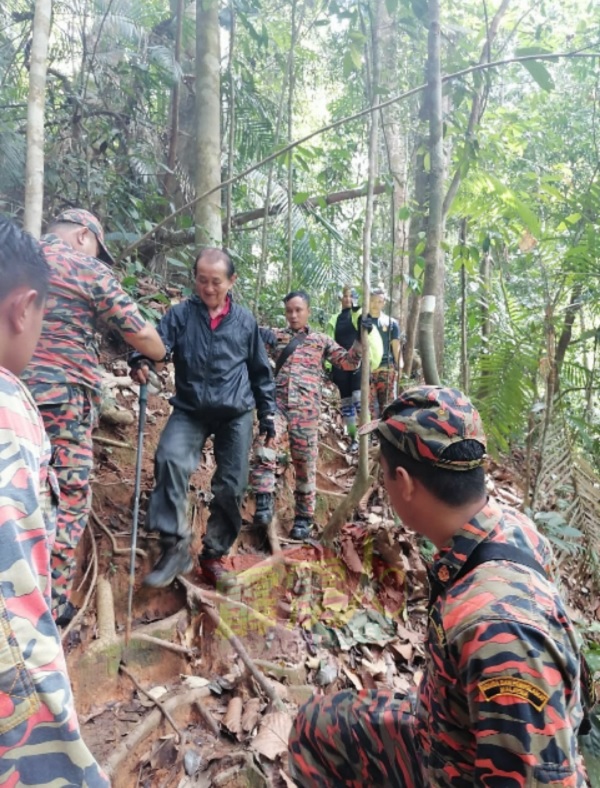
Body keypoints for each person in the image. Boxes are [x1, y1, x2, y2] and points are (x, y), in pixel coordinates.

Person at [289, 386, 587, 786]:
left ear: (404, 482)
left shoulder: (499, 635)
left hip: (460, 770)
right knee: (318, 728)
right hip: (442, 734)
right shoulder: (506, 528)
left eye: (383, 471)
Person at [0, 216, 108, 786]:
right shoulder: (8, 413)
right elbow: (9, 621)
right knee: (64, 510)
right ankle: (61, 607)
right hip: (62, 408)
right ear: (24, 309)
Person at [22, 209, 166, 625]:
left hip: (9, 392)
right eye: (98, 253)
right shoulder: (83, 267)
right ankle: (48, 606)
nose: (99, 261)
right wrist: (157, 352)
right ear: (84, 236)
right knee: (68, 498)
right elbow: (143, 335)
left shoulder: (13, 255)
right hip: (60, 400)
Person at [131, 248, 276, 589]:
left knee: (231, 485)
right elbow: (157, 345)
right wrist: (140, 360)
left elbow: (260, 371)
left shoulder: (244, 322)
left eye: (216, 282)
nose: (208, 289)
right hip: (191, 407)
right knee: (169, 458)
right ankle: (175, 546)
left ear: (231, 281)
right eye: (202, 280)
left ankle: (213, 556)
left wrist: (267, 412)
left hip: (235, 413)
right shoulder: (180, 315)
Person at [251, 290, 370, 541]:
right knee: (264, 446)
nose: (293, 315)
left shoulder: (321, 340)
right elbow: (247, 341)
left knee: (305, 467)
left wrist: (361, 337)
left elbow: (348, 363)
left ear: (308, 311)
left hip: (307, 413)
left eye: (298, 310)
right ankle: (263, 503)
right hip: (279, 408)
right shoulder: (276, 337)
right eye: (289, 311)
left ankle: (303, 520)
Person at [326, 285, 383, 452]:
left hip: (359, 364)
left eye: (351, 296)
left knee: (359, 400)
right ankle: (353, 439)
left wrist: (368, 327)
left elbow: (371, 338)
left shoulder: (359, 314)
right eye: (345, 296)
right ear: (341, 299)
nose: (348, 299)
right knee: (347, 405)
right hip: (340, 366)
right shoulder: (334, 319)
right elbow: (330, 342)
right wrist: (329, 366)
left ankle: (368, 436)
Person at [369, 286, 402, 417]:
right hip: (367, 369)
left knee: (387, 405)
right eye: (373, 300)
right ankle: (370, 436)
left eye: (379, 301)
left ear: (384, 302)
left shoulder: (391, 323)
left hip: (386, 368)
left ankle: (386, 435)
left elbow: (396, 346)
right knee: (368, 406)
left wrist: (399, 366)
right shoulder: (362, 321)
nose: (376, 304)